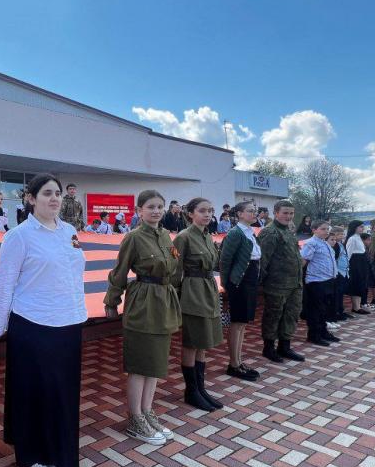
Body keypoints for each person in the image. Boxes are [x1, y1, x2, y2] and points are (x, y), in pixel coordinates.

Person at [0, 174, 86, 467]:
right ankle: (32, 460)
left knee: (63, 395)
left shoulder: (70, 232)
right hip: (32, 326)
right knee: (33, 396)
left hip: (68, 325)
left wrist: (78, 312)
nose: (54, 198)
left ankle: (58, 454)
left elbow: (73, 278)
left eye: (58, 193)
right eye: (46, 193)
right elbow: (4, 284)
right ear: (31, 198)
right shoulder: (19, 237)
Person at [104, 190, 181, 446]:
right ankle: (135, 417)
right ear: (139, 210)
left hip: (164, 300)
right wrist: (111, 302)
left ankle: (148, 411)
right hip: (144, 301)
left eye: (160, 206)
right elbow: (119, 271)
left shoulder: (165, 235)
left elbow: (174, 266)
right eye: (150, 207)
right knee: (140, 362)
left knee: (156, 362)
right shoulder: (134, 238)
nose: (156, 211)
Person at [173, 198, 225, 412]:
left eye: (210, 211)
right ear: (190, 214)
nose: (207, 214)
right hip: (192, 292)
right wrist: (175, 298)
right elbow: (174, 271)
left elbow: (215, 263)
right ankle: (191, 391)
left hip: (208, 289)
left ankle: (201, 388)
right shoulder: (183, 237)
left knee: (203, 341)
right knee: (192, 342)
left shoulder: (208, 237)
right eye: (202, 211)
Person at [256, 200, 306, 364]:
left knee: (291, 315)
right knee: (273, 316)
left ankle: (285, 347)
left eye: (291, 213)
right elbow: (263, 261)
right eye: (285, 213)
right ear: (276, 212)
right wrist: (260, 286)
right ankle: (269, 348)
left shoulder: (288, 231)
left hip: (294, 284)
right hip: (276, 285)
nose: (288, 216)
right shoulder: (270, 232)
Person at [219, 202, 261, 381]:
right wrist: (227, 285)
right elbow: (225, 261)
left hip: (250, 280)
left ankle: (239, 360)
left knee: (243, 323)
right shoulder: (236, 233)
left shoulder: (250, 232)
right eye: (250, 211)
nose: (254, 214)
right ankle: (233, 364)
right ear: (240, 214)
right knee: (237, 323)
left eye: (255, 211)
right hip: (239, 282)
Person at [300, 221, 339, 346]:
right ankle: (314, 335)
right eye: (323, 229)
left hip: (328, 280)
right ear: (314, 230)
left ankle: (323, 332)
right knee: (315, 310)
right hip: (316, 282)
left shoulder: (324, 243)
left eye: (327, 229)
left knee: (324, 309)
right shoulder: (311, 243)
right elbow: (303, 261)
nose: (326, 231)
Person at [344, 221, 371, 315]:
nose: (362, 228)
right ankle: (355, 307)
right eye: (360, 227)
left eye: (362, 227)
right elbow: (348, 253)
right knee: (356, 284)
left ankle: (358, 306)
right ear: (354, 227)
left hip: (362, 263)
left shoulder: (358, 237)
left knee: (361, 284)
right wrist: (347, 266)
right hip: (356, 264)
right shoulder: (352, 239)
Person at [328, 227, 351, 322]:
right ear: (333, 234)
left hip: (344, 271)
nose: (342, 236)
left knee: (341, 294)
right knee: (336, 294)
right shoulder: (335, 245)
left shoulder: (340, 244)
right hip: (338, 272)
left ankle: (340, 310)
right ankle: (336, 312)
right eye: (339, 234)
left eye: (342, 234)